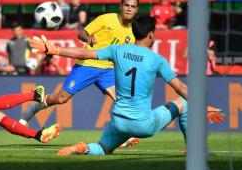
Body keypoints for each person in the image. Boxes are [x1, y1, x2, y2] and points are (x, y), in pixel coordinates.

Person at [29, 16, 225, 156]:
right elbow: (179, 87)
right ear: (150, 35)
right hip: (143, 124)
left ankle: (84, 148)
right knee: (184, 102)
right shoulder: (157, 59)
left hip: (119, 121)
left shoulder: (117, 50)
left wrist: (55, 50)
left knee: (104, 149)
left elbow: (86, 54)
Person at [20, 0, 139, 125]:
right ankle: (34, 108)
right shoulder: (106, 19)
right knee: (61, 98)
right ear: (120, 6)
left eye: (133, 6)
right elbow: (81, 33)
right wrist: (88, 38)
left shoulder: (134, 32)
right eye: (126, 5)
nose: (129, 9)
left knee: (122, 100)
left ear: (136, 10)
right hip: (87, 64)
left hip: (108, 70)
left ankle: (123, 133)